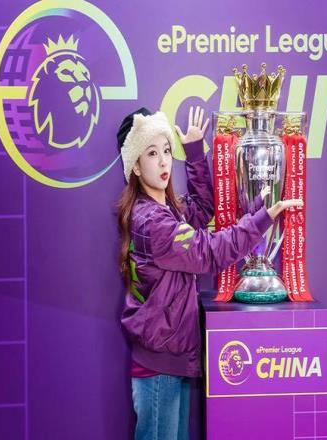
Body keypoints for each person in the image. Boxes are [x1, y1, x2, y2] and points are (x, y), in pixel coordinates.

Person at [116, 106, 302, 440]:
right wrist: (263, 219)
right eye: (152, 153)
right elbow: (209, 252)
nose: (163, 162)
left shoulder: (167, 211)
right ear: (136, 166)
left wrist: (193, 152)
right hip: (159, 365)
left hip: (173, 357)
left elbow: (203, 210)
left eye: (166, 151)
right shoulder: (153, 222)